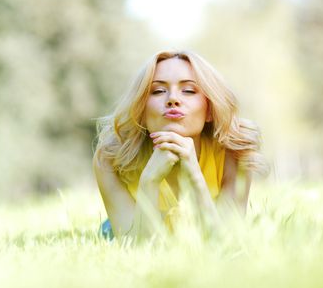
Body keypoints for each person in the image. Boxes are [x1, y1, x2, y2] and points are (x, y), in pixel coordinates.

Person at [93, 50, 266, 240]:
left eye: (189, 91)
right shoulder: (109, 159)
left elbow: (224, 243)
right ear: (141, 109)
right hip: (123, 228)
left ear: (209, 109)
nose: (173, 99)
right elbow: (137, 248)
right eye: (158, 91)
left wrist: (194, 175)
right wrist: (150, 179)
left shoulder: (236, 152)